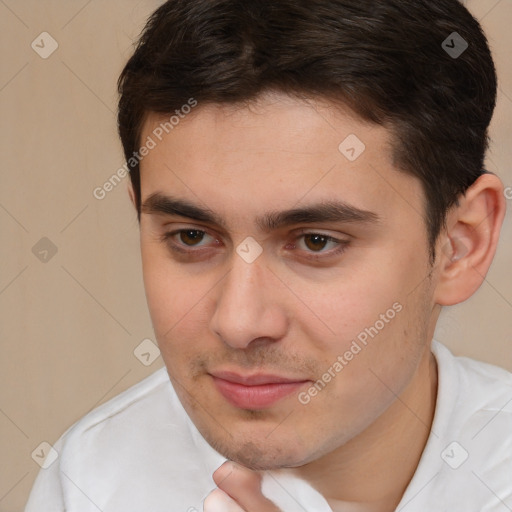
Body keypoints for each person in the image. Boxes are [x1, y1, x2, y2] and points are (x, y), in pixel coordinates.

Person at [25, 0, 512, 511]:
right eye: (191, 236)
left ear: (460, 244)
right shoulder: (90, 481)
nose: (238, 323)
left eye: (315, 241)